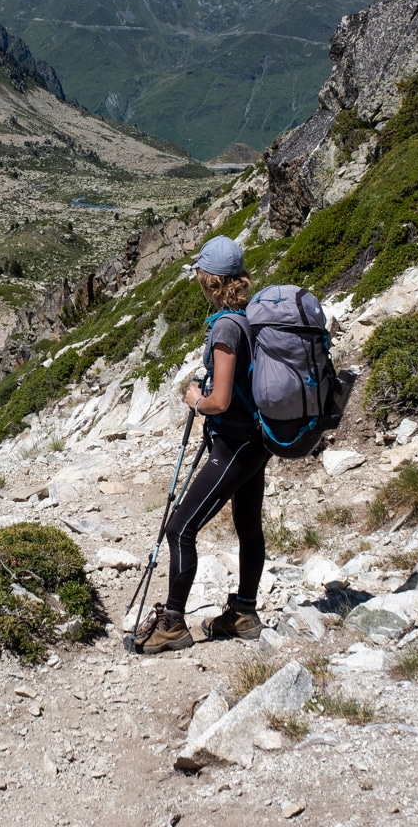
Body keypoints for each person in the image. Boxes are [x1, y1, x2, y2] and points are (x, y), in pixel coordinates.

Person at [134, 235, 271, 653]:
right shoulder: (245, 317)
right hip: (254, 440)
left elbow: (221, 400)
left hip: (234, 443)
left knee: (179, 528)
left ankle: (173, 623)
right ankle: (244, 612)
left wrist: (197, 398)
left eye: (198, 273)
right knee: (248, 526)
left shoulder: (227, 327)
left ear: (210, 280)